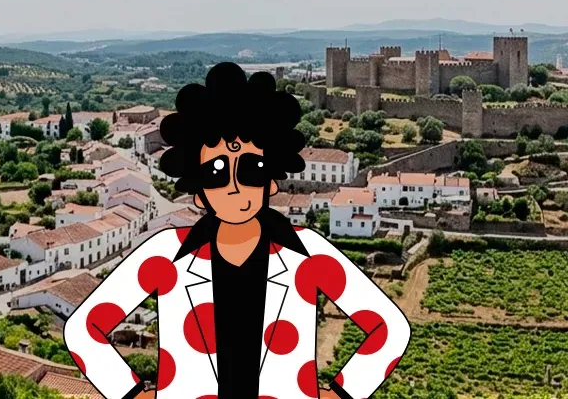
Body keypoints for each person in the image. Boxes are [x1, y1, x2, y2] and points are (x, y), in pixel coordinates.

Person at [63, 63, 409, 399]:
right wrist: (132, 394)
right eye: (216, 173)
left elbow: (389, 329)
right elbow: (84, 331)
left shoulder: (308, 254)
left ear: (271, 181)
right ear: (199, 190)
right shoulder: (165, 255)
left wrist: (341, 394)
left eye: (251, 169)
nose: (234, 186)